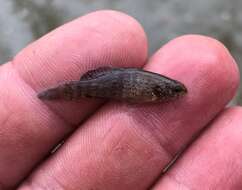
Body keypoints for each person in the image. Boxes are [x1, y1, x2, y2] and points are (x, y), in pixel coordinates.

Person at [0, 10, 241, 190]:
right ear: (166, 91)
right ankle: (59, 94)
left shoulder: (159, 90)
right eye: (176, 91)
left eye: (177, 91)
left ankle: (62, 93)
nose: (179, 94)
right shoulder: (159, 91)